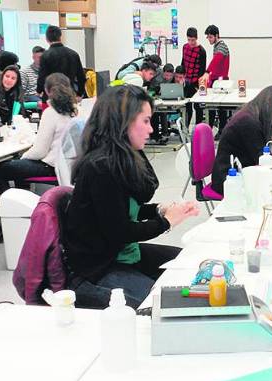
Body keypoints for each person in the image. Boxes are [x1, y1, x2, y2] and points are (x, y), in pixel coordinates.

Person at [64, 85, 199, 309]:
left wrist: (160, 209)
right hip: (95, 269)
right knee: (162, 306)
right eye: (145, 121)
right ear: (123, 121)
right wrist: (166, 222)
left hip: (115, 254)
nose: (151, 130)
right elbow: (120, 232)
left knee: (187, 265)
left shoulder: (119, 159)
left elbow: (123, 208)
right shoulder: (101, 167)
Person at [0, 78, 78, 244]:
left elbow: (40, 150)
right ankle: (24, 213)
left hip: (51, 166)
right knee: (17, 170)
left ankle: (8, 220)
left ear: (47, 91)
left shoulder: (51, 112)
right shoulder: (74, 110)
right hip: (68, 166)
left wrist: (23, 156)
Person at [210, 85, 272, 195]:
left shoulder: (252, 115)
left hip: (239, 174)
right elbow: (264, 160)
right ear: (270, 104)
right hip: (228, 180)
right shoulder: (248, 122)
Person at [37, 25, 86, 98]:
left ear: (47, 39)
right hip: (69, 95)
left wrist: (39, 91)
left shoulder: (45, 56)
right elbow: (81, 77)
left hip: (51, 96)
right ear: (60, 37)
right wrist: (80, 93)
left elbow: (42, 77)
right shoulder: (73, 54)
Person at [201, 25, 231, 136]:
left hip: (221, 82)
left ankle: (221, 131)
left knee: (219, 108)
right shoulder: (217, 46)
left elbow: (217, 60)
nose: (209, 39)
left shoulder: (221, 47)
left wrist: (207, 72)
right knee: (214, 107)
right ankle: (212, 130)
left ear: (216, 36)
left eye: (210, 37)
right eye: (208, 37)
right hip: (217, 81)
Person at [181, 27, 206, 125]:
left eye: (193, 40)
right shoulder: (185, 47)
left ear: (197, 38)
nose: (191, 42)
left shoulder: (201, 51)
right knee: (187, 106)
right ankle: (185, 127)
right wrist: (181, 77)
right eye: (189, 40)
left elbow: (202, 69)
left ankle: (198, 127)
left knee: (197, 107)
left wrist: (198, 85)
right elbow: (183, 62)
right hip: (186, 81)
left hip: (196, 82)